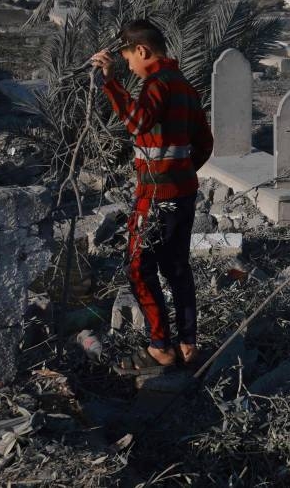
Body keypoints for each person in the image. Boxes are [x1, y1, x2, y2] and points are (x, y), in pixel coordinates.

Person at [90, 20, 213, 375]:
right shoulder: (185, 87)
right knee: (176, 268)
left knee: (138, 268)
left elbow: (137, 122)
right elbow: (204, 143)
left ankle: (160, 346)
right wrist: (182, 172)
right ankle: (188, 343)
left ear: (141, 51)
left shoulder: (157, 84)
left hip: (155, 197)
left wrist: (110, 83)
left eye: (128, 59)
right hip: (182, 195)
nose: (129, 66)